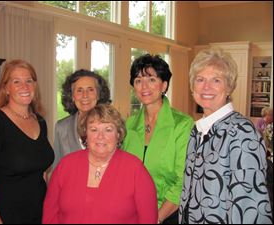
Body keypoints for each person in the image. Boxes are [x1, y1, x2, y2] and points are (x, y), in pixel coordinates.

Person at [179, 48, 273, 224]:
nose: (206, 87)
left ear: (229, 87)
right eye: (200, 79)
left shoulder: (241, 132)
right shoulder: (197, 131)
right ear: (192, 87)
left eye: (216, 80)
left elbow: (249, 207)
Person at [43, 104, 158, 224]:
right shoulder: (65, 166)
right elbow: (50, 214)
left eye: (108, 130)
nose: (100, 136)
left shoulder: (136, 170)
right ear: (85, 133)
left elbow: (148, 219)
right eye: (94, 129)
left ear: (118, 134)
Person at [0, 59, 54, 224]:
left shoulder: (39, 121)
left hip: (38, 214)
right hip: (4, 216)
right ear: (5, 88)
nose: (24, 87)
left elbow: (42, 172)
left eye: (29, 81)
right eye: (16, 81)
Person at [122, 54, 194, 224]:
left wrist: (156, 218)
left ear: (164, 85)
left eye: (151, 79)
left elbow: (183, 181)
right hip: (132, 212)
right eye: (138, 80)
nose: (144, 86)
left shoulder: (182, 124)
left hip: (168, 214)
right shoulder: (128, 125)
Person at [52, 69, 111, 169]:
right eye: (79, 90)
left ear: (98, 94)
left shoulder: (112, 126)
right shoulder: (61, 128)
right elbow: (56, 169)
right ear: (72, 96)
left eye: (90, 89)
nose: (85, 95)